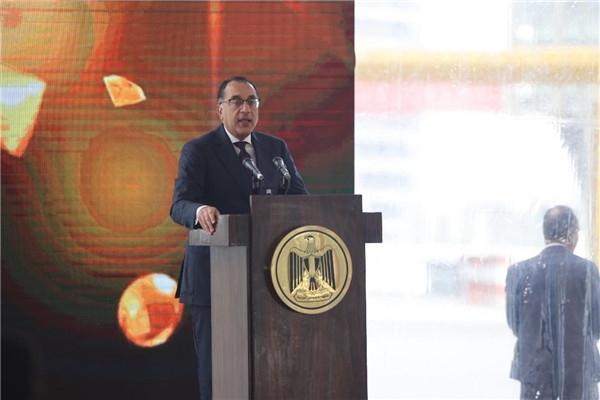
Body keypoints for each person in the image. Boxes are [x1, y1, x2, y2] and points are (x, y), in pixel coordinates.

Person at [170, 76, 309, 399]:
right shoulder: (199, 150)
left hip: (270, 279)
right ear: (220, 109)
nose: (245, 109)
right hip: (215, 278)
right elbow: (179, 205)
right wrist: (200, 210)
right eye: (236, 101)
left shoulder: (275, 149)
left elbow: (300, 200)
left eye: (252, 102)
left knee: (268, 369)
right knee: (219, 372)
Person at [505, 205, 600, 400]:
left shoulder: (519, 272)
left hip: (535, 374)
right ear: (571, 233)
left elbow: (515, 324)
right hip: (579, 374)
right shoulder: (586, 271)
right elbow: (597, 324)